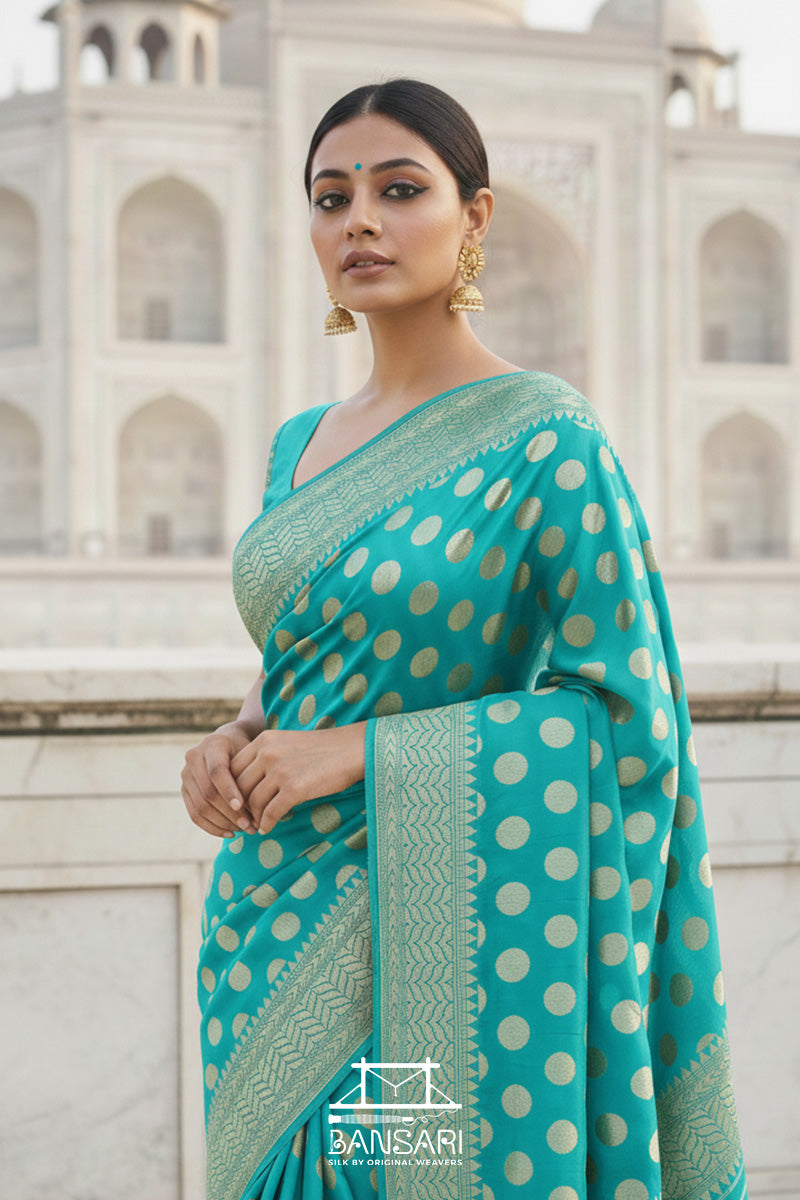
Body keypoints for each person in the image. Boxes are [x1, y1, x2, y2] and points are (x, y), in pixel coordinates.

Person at [182, 79, 748, 1200]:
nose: (358, 221)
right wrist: (234, 734)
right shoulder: (299, 443)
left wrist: (354, 754)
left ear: (475, 217)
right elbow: (304, 657)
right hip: (267, 911)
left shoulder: (545, 435)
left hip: (437, 938)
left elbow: (620, 712)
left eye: (399, 189)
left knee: (404, 1178)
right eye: (329, 196)